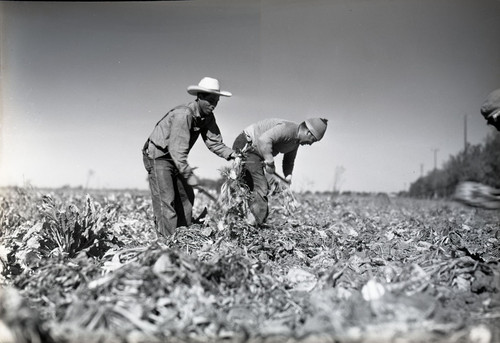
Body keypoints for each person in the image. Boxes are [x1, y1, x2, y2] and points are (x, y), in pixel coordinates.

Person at [142, 77, 237, 236]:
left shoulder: (208, 117)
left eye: (216, 101)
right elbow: (177, 150)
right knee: (166, 200)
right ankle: (168, 241)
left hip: (175, 158)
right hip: (158, 156)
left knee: (186, 196)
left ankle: (184, 233)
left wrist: (232, 154)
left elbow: (214, 142)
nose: (213, 105)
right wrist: (188, 174)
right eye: (210, 100)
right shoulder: (183, 114)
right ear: (200, 97)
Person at [232, 118, 328, 226]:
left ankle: (243, 219)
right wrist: (270, 162)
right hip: (246, 146)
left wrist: (288, 177)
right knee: (260, 186)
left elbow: (288, 161)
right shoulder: (289, 129)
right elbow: (264, 140)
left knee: (249, 187)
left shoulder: (295, 142)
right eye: (313, 140)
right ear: (308, 132)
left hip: (256, 153)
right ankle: (254, 224)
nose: (310, 144)